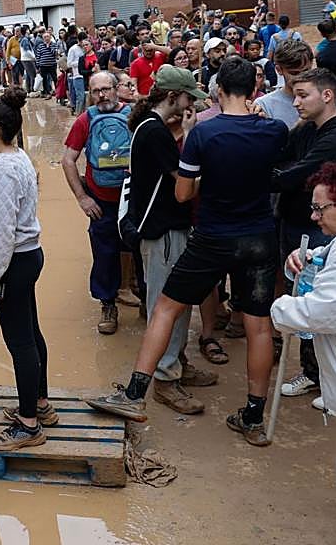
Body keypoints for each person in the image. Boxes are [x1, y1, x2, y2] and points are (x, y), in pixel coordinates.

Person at [86, 58, 289, 446]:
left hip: (213, 235)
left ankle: (133, 395)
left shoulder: (203, 134)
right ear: (254, 90)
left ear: (218, 90)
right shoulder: (274, 129)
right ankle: (252, 417)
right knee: (259, 326)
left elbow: (182, 192)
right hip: (260, 236)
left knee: (165, 307)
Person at [125, 67, 219, 415]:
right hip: (163, 230)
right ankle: (165, 377)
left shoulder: (150, 128)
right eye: (186, 98)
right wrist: (193, 136)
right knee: (168, 306)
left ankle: (175, 362)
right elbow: (183, 188)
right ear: (172, 97)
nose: (189, 104)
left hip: (163, 229)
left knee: (175, 304)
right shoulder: (155, 133)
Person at [270, 69, 336, 401]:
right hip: (297, 224)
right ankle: (316, 371)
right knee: (305, 286)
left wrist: (268, 176)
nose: (296, 102)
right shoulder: (308, 129)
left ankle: (322, 376)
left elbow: (294, 174)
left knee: (322, 302)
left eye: (303, 95)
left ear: (328, 95)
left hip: (322, 229)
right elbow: (282, 156)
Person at [0, 88, 49, 450]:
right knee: (31, 332)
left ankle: (29, 424)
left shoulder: (3, 169)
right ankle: (41, 404)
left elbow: (2, 231)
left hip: (13, 261)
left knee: (19, 341)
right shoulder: (18, 158)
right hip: (27, 255)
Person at [271, 160, 336, 459]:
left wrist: (279, 309)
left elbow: (324, 313)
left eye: (321, 209)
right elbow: (331, 259)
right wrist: (308, 257)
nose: (313, 216)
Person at [61, 71, 130, 335]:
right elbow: (68, 160)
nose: (102, 95)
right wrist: (82, 197)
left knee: (139, 252)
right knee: (104, 254)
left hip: (132, 200)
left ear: (116, 88)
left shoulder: (134, 115)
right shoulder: (85, 120)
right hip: (101, 201)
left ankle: (147, 302)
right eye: (96, 91)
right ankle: (108, 304)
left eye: (106, 89)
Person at [34, 32, 59, 96]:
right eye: (44, 37)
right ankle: (46, 93)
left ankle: (57, 92)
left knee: (54, 78)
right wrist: (37, 67)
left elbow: (55, 54)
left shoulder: (54, 44)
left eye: (47, 37)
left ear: (50, 37)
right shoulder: (40, 46)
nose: (46, 38)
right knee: (44, 80)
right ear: (43, 39)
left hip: (52, 65)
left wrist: (49, 47)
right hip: (43, 65)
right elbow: (38, 57)